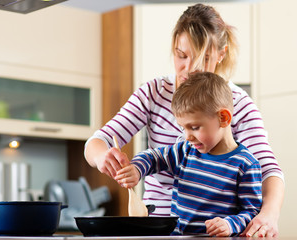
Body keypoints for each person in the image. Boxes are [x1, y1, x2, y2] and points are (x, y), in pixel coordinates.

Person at [84, 3, 284, 237]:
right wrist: (103, 158)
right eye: (181, 55)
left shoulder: (239, 104)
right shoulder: (154, 92)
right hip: (160, 227)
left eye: (203, 59)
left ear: (221, 54)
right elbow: (98, 142)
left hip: (215, 231)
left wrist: (268, 215)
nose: (189, 69)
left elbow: (268, 169)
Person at [115, 72, 262, 236]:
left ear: (223, 118)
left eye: (194, 127)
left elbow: (251, 212)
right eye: (183, 128)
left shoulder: (246, 165)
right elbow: (153, 156)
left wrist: (230, 224)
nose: (187, 136)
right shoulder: (184, 150)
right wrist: (136, 169)